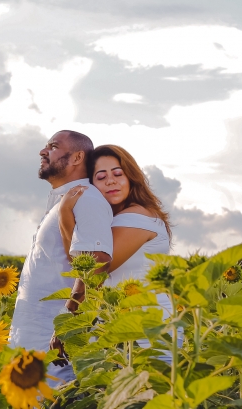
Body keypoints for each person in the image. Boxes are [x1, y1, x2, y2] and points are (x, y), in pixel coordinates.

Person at [9, 131, 114, 385]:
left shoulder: (86, 198)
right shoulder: (64, 200)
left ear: (78, 157)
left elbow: (96, 263)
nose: (43, 152)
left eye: (53, 147)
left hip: (54, 350)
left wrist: (68, 324)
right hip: (31, 345)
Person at [58, 144, 175, 360]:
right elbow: (78, 264)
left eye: (118, 174)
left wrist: (67, 320)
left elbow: (94, 270)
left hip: (145, 328)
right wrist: (65, 214)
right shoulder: (113, 222)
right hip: (121, 325)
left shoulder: (137, 216)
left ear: (131, 177)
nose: (110, 181)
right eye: (101, 177)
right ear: (92, 185)